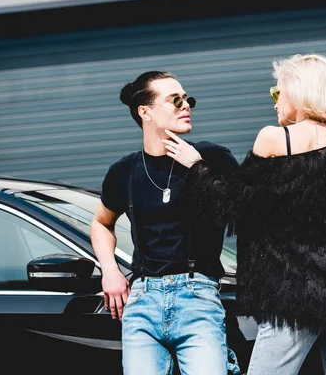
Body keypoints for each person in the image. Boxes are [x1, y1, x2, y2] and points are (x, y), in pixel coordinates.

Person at [162, 54, 326, 374]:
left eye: (278, 93)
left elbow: (236, 206)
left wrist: (196, 166)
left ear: (300, 94)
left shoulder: (276, 139)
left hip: (293, 300)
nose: (275, 103)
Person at [91, 70, 241, 375]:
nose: (186, 105)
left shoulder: (212, 157)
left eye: (188, 99)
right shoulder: (125, 171)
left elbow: (243, 210)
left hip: (198, 297)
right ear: (145, 112)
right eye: (175, 100)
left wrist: (197, 166)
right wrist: (110, 271)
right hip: (142, 301)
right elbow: (101, 223)